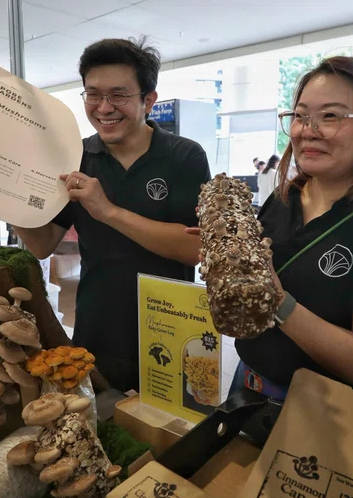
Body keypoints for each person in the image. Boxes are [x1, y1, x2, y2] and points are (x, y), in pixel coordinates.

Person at [194, 57, 353, 399]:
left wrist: (274, 298)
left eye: (331, 116)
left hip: (325, 416)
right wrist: (225, 265)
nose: (308, 130)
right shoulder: (281, 200)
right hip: (247, 388)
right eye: (300, 116)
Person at [14, 38, 210, 391]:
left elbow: (195, 248)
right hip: (96, 327)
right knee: (101, 429)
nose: (104, 108)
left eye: (118, 95)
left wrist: (107, 211)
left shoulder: (184, 156)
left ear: (148, 100)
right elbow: (43, 245)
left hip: (171, 325)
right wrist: (6, 197)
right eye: (93, 95)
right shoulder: (76, 158)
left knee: (167, 436)